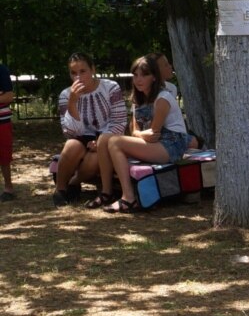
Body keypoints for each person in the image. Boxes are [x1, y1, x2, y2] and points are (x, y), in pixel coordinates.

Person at [99, 54, 189, 213]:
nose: (139, 79)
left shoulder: (163, 98)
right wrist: (139, 135)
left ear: (154, 77)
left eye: (144, 75)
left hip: (172, 144)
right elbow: (135, 130)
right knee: (105, 138)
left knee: (115, 142)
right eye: (135, 75)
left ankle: (128, 198)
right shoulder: (137, 99)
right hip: (155, 142)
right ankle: (106, 192)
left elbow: (154, 133)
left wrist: (139, 135)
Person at [55, 52, 127, 207]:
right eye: (73, 73)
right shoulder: (65, 95)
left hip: (107, 135)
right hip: (81, 135)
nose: (78, 78)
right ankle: (60, 189)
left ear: (93, 70)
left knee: (96, 156)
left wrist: (101, 140)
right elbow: (69, 132)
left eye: (83, 71)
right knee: (71, 146)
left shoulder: (111, 88)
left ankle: (74, 182)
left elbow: (119, 121)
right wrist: (72, 103)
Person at [0, 60, 13, 201]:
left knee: (4, 155)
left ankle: (8, 187)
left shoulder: (1, 70)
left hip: (1, 121)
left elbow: (9, 96)